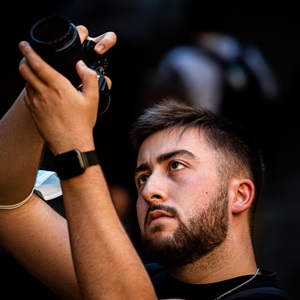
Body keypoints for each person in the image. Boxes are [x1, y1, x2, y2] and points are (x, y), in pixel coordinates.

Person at [0, 25, 294, 300]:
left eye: (176, 166)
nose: (149, 190)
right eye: (142, 176)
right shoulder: (130, 279)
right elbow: (8, 202)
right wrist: (52, 75)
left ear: (239, 195)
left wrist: (73, 145)